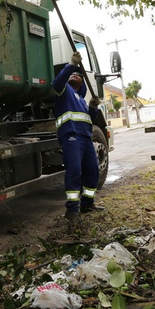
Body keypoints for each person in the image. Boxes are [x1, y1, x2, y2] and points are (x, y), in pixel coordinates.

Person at [52, 51, 105, 226]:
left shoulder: (81, 99)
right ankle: (72, 210)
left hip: (86, 138)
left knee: (93, 171)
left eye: (79, 74)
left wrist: (93, 107)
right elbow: (57, 82)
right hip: (71, 137)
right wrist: (71, 65)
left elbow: (88, 119)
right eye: (73, 74)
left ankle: (87, 203)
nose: (75, 75)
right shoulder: (63, 91)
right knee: (74, 170)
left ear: (82, 82)